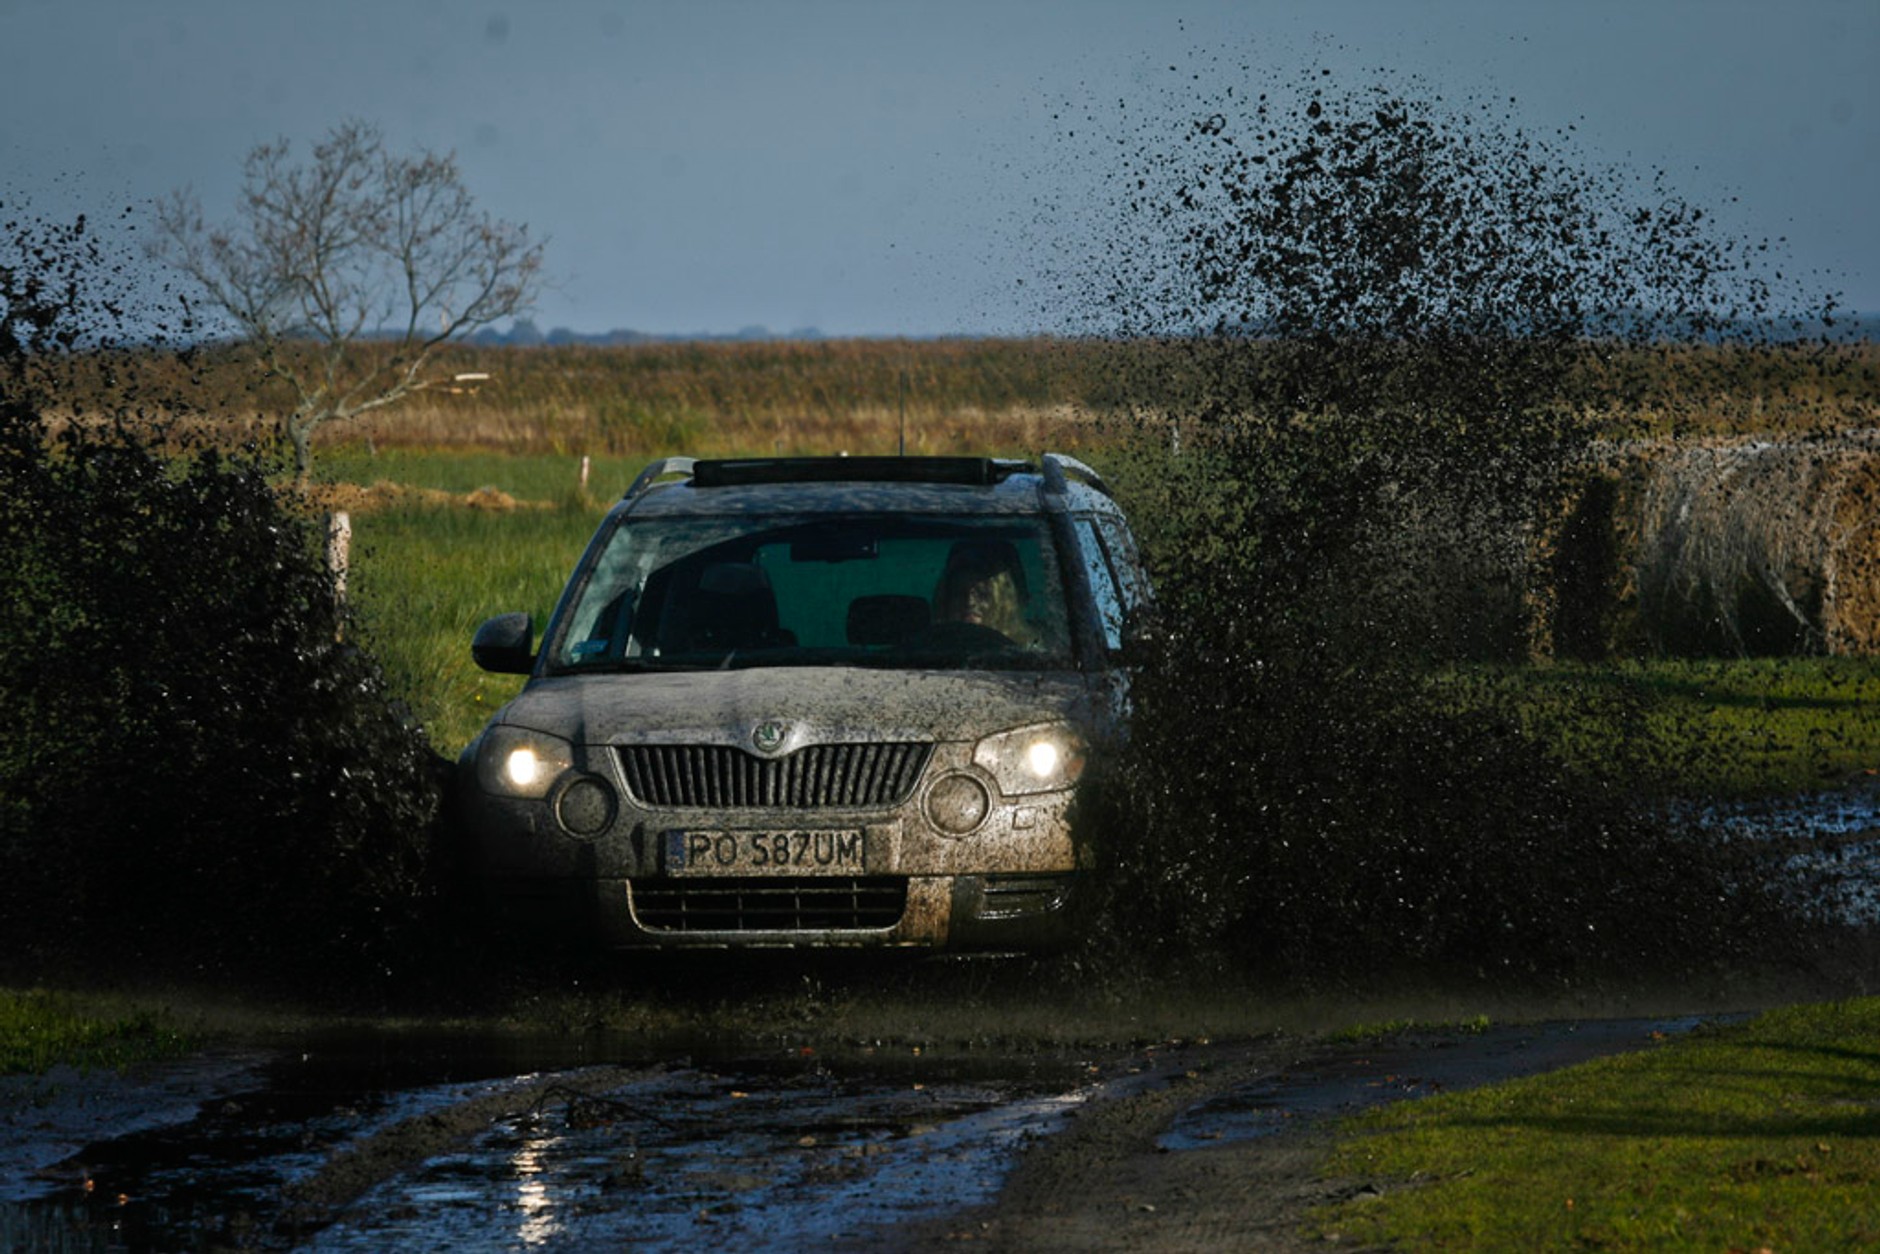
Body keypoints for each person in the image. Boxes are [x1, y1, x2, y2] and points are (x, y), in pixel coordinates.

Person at [932, 541, 1036, 645]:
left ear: (1004, 604)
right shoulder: (929, 649)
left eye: (982, 594)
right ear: (945, 601)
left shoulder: (1030, 651)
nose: (969, 602)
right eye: (959, 594)